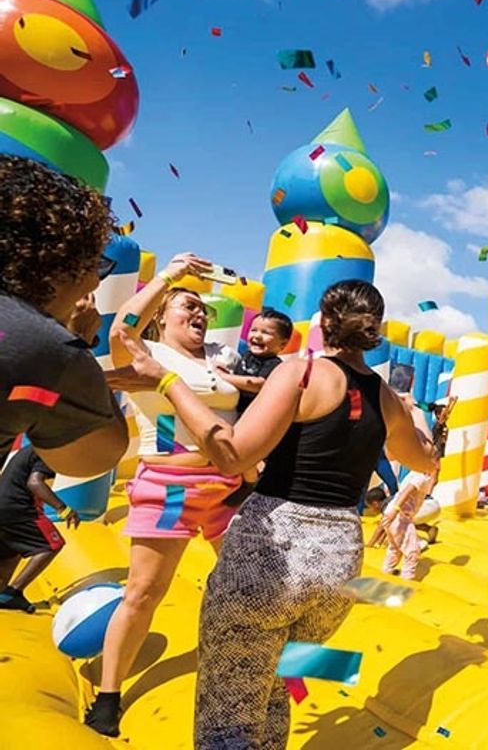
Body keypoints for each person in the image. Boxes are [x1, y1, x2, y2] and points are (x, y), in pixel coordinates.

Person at [106, 279, 444, 747]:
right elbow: (425, 461)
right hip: (339, 566)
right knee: (272, 689)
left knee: (228, 717)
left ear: (323, 324)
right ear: (374, 329)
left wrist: (167, 383)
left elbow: (232, 456)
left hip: (273, 552)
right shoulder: (385, 397)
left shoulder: (300, 374)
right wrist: (424, 422)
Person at [87, 252, 251, 735]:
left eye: (203, 309)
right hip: (173, 490)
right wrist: (169, 277)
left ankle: (247, 669)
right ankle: (109, 695)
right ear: (162, 316)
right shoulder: (147, 356)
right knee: (143, 593)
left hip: (227, 490)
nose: (199, 314)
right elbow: (121, 330)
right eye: (187, 307)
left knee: (247, 584)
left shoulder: (217, 365)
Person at [0, 154, 128, 477]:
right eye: (97, 264)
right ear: (64, 257)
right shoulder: (41, 348)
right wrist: (79, 341)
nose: (97, 280)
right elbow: (96, 456)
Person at [0, 447, 81, 612]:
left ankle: (2, 594)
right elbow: (34, 482)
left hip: (4, 506)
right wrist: (63, 509)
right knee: (52, 545)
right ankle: (13, 592)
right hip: (18, 507)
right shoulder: (51, 450)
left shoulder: (35, 447)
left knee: (11, 550)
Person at [221, 308, 293, 416]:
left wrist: (224, 376)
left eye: (266, 333)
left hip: (252, 414)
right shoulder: (247, 355)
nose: (257, 336)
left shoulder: (274, 364)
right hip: (233, 408)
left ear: (282, 344)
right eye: (253, 330)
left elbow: (258, 384)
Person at [372, 469, 438, 579]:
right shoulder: (420, 477)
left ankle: (386, 572)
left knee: (394, 548)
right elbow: (406, 491)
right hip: (399, 516)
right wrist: (396, 510)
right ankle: (407, 579)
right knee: (413, 551)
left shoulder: (415, 473)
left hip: (393, 513)